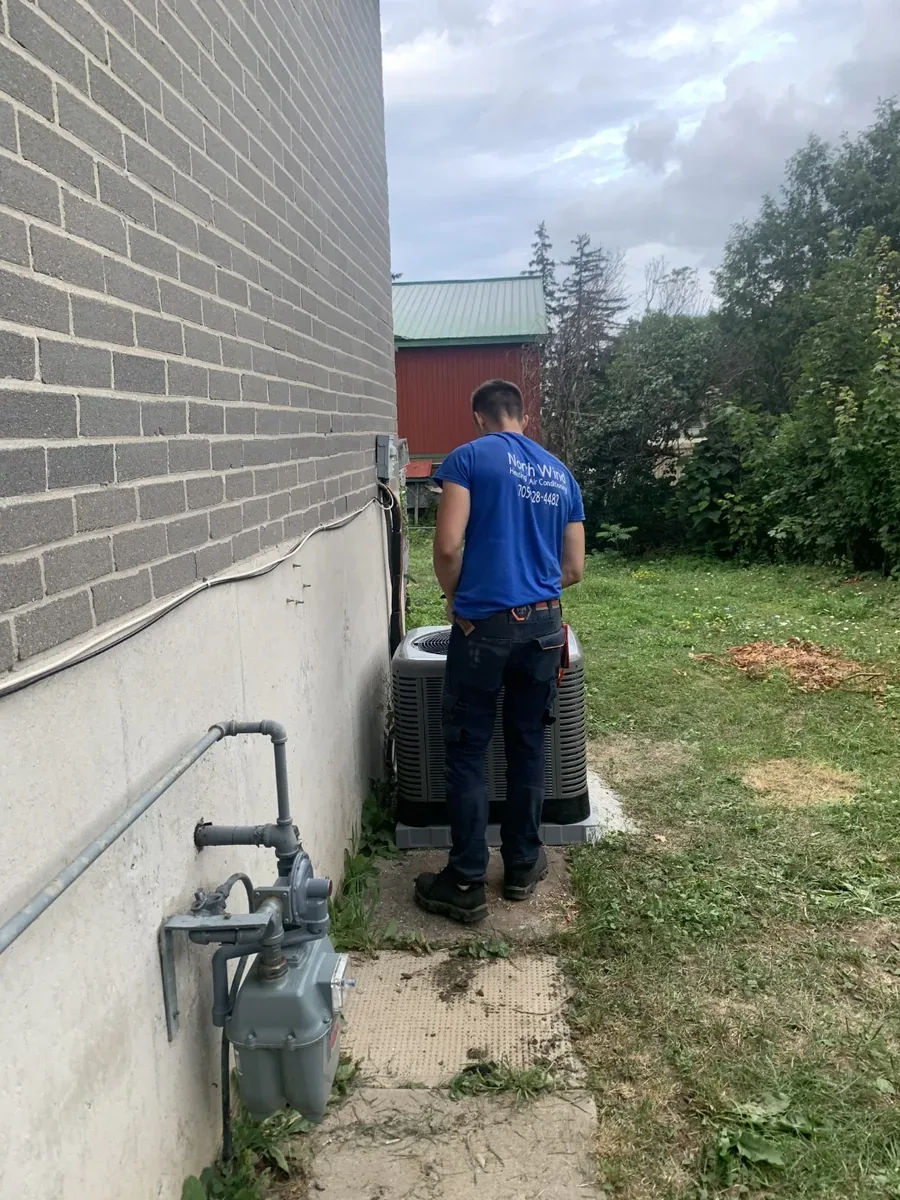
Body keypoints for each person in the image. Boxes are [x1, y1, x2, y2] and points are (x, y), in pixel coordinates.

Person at [414, 379, 586, 923]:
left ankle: (466, 881)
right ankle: (522, 866)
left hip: (483, 626)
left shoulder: (467, 459)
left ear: (478, 417)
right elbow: (574, 568)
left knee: (468, 750)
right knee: (528, 744)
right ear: (523, 416)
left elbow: (447, 546)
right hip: (544, 627)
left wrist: (457, 599)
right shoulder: (560, 473)